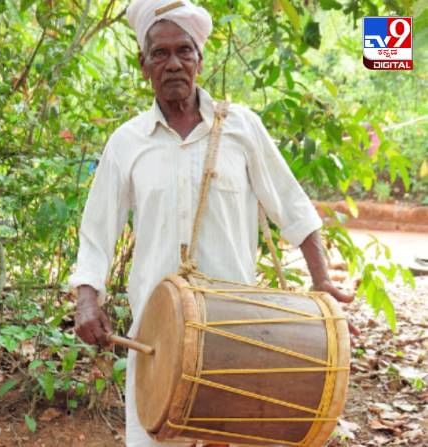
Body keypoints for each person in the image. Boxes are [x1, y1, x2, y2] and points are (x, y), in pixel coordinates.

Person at [68, 1, 355, 446]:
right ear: (144, 66)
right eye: (160, 54)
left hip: (237, 334)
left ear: (200, 60)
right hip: (157, 337)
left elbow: (293, 206)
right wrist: (88, 299)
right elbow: (96, 233)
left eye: (184, 50)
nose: (173, 63)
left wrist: (322, 281)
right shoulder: (127, 143)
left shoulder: (241, 127)